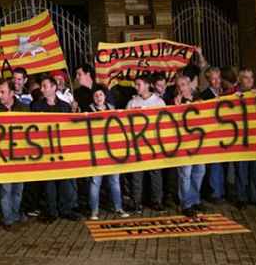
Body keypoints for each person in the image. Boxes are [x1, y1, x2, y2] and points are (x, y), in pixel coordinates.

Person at [31, 77, 81, 222]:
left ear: (54, 88)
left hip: (62, 150)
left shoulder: (65, 106)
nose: (42, 89)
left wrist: (74, 113)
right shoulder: (36, 106)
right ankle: (51, 211)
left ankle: (66, 209)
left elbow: (71, 127)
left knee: (65, 182)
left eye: (45, 86)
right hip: (45, 150)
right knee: (49, 184)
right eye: (42, 86)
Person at [0, 79, 29, 230]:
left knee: (18, 188)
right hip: (2, 156)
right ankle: (8, 219)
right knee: (5, 189)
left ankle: (15, 213)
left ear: (12, 93)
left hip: (19, 156)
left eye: (2, 92)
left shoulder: (24, 108)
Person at [87, 84, 130, 220]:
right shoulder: (88, 110)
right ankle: (94, 210)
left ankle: (118, 208)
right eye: (96, 95)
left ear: (105, 96)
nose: (98, 97)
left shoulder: (113, 109)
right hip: (97, 153)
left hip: (112, 152)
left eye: (100, 95)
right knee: (95, 182)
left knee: (115, 181)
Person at [126, 76, 165, 213]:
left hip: (153, 144)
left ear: (148, 85)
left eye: (139, 84)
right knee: (137, 174)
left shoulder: (159, 102)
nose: (136, 87)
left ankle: (157, 201)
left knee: (155, 173)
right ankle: (136, 201)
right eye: (135, 85)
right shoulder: (132, 102)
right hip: (137, 145)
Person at [233, 68, 256, 210]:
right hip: (240, 140)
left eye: (251, 77)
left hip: (254, 140)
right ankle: (241, 198)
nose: (249, 80)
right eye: (246, 77)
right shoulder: (233, 95)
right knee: (241, 170)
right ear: (240, 80)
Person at [172, 75, 206, 217]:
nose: (181, 88)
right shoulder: (175, 102)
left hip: (198, 144)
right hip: (183, 144)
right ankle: (186, 204)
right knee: (185, 174)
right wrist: (177, 107)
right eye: (179, 85)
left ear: (189, 85)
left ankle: (195, 199)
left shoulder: (199, 99)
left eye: (184, 84)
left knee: (199, 171)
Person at [199, 67, 226, 204]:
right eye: (213, 79)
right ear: (208, 80)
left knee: (222, 164)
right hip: (212, 135)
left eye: (218, 78)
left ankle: (221, 191)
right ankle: (214, 193)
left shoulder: (226, 93)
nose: (216, 81)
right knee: (214, 164)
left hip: (224, 134)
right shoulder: (204, 95)